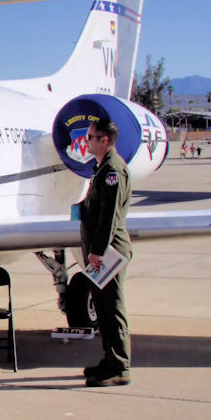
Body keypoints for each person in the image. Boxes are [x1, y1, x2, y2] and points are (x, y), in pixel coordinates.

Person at [79, 118, 133, 386]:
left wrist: (98, 251)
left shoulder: (113, 170)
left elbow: (109, 217)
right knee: (102, 307)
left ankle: (119, 366)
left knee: (112, 309)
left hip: (109, 251)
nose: (86, 141)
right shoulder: (101, 167)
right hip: (101, 251)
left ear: (104, 140)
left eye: (90, 137)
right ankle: (109, 360)